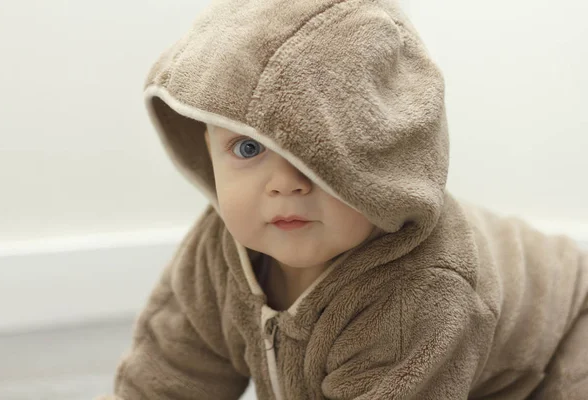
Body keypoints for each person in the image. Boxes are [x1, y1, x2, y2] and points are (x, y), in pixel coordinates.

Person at [97, 0, 588, 398]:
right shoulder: (215, 254)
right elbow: (169, 374)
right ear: (207, 150)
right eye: (248, 148)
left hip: (568, 338)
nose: (285, 183)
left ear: (387, 161)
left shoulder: (420, 294)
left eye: (318, 157)